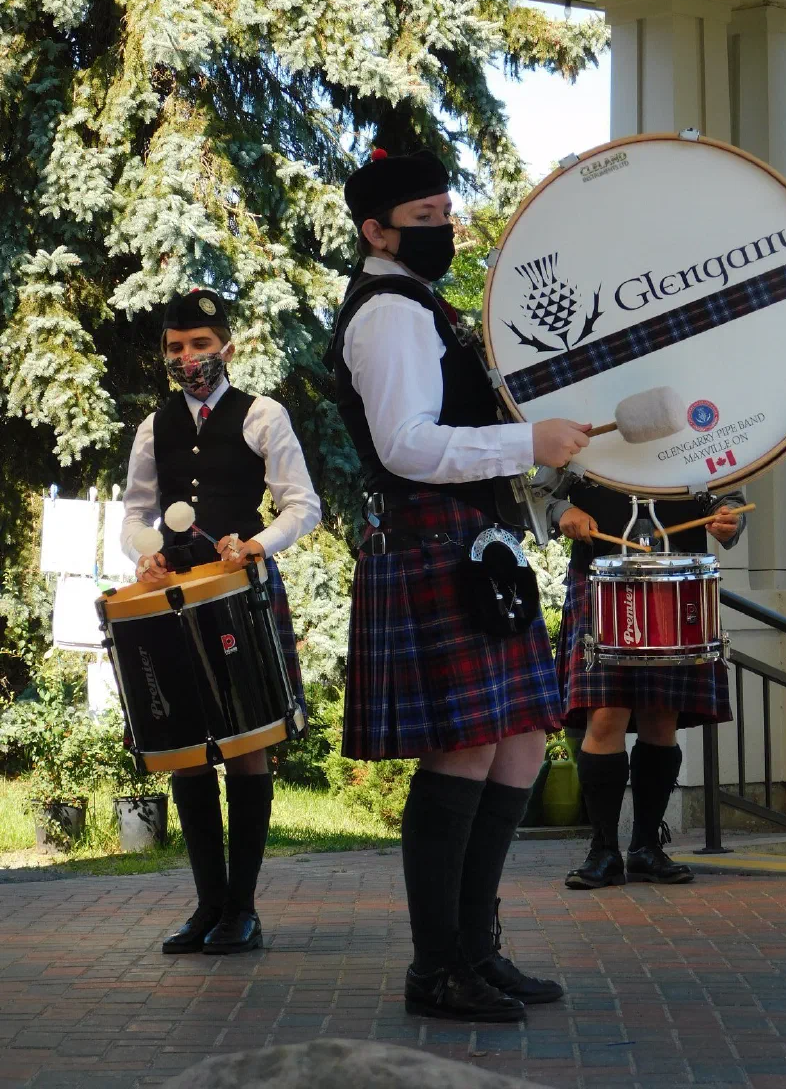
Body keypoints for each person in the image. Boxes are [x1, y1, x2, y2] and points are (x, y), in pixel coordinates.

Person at [329, 148, 592, 1023]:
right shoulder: (389, 314)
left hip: (472, 539)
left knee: (518, 741)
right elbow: (406, 444)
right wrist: (526, 445)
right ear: (375, 231)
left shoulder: (420, 303)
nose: (442, 230)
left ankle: (477, 948)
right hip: (429, 538)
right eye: (424, 220)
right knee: (469, 747)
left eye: (447, 213)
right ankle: (436, 968)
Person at [121, 287, 321, 954]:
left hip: (240, 589)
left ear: (226, 348)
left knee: (244, 742)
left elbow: (303, 506)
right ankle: (208, 906)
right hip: (175, 596)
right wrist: (145, 556)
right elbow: (135, 513)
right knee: (185, 743)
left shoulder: (263, 415)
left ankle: (244, 908)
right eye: (176, 348)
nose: (188, 357)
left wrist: (257, 544)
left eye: (200, 345)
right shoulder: (155, 427)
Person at [552, 481, 746, 889]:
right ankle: (603, 851)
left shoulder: (695, 425)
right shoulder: (578, 421)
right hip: (601, 576)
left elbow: (729, 493)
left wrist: (731, 517)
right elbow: (534, 491)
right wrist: (559, 512)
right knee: (605, 718)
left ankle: (645, 849)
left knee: (662, 717)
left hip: (677, 578)